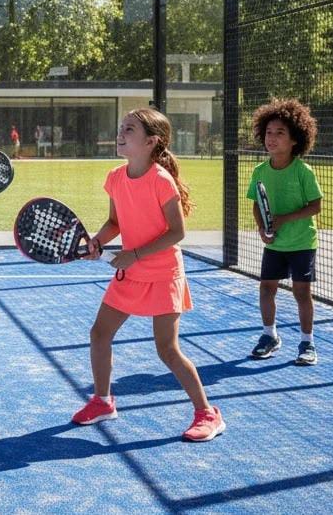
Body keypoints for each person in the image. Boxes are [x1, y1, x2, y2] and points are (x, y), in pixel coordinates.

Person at [72, 108, 225, 442]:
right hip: (131, 273)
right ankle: (102, 401)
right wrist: (98, 242)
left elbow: (177, 232)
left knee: (167, 350)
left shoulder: (160, 179)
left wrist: (134, 255)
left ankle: (208, 414)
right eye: (121, 127)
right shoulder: (115, 177)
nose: (121, 133)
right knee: (99, 334)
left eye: (130, 129)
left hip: (163, 273)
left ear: (151, 141)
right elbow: (116, 222)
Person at [246, 98, 322, 366]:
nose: (272, 138)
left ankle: (307, 342)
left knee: (302, 293)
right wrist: (262, 228)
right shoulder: (259, 171)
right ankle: (269, 336)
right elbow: (257, 203)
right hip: (274, 245)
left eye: (280, 133)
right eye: (269, 132)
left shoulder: (303, 171)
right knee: (267, 289)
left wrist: (283, 220)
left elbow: (316, 206)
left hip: (302, 242)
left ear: (295, 140)